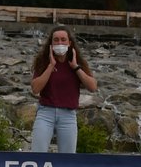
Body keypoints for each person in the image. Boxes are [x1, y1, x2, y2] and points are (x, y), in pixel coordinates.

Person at [29, 25, 98, 154]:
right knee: (37, 155)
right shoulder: (43, 61)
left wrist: (76, 67)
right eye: (56, 40)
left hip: (68, 116)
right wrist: (51, 66)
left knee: (68, 158)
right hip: (45, 113)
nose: (59, 43)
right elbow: (35, 88)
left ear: (69, 42)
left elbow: (93, 87)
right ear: (51, 43)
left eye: (63, 39)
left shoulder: (77, 61)